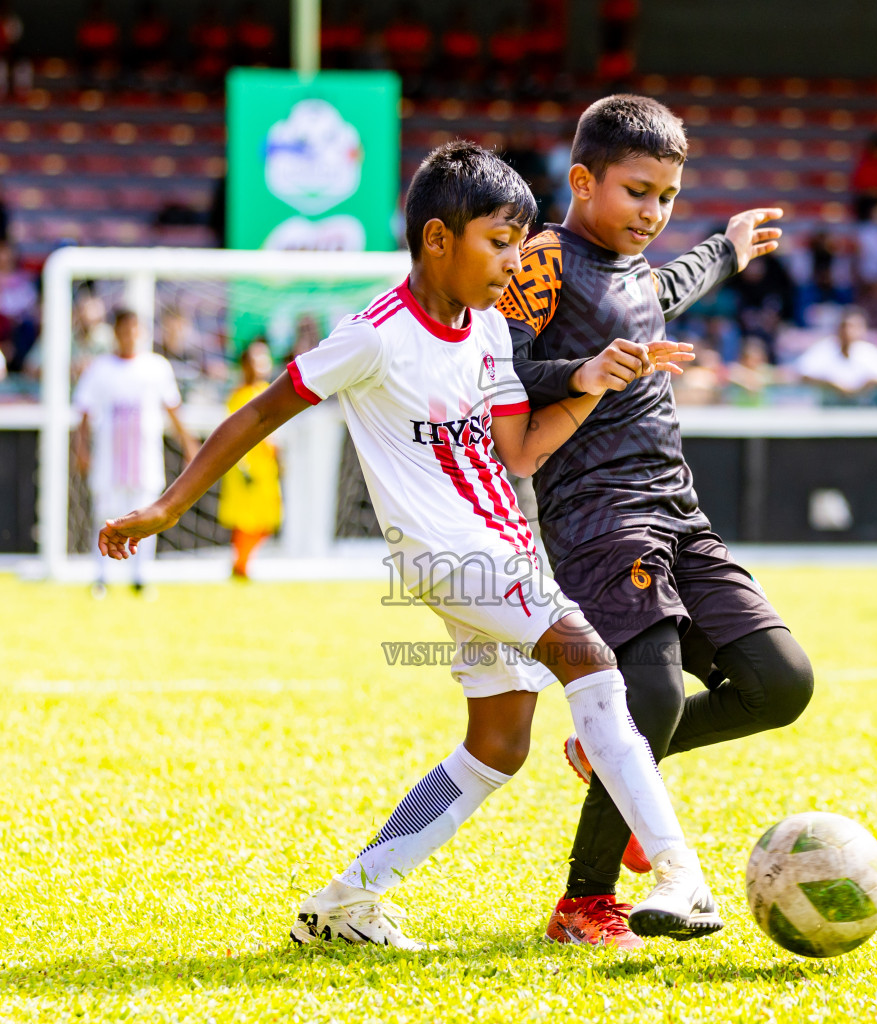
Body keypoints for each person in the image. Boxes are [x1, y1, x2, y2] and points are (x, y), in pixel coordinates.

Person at [98, 141, 722, 950]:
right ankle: (679, 872)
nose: (513, 262)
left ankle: (348, 901)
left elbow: (514, 448)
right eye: (498, 243)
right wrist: (168, 504)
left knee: (497, 747)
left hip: (501, 549)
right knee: (596, 668)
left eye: (520, 243)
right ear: (437, 239)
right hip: (449, 556)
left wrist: (589, 377)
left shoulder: (494, 333)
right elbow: (259, 413)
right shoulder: (375, 334)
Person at [497, 96, 814, 949]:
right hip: (594, 512)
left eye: (668, 197)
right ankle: (584, 904)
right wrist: (585, 370)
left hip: (679, 506)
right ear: (582, 180)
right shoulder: (540, 262)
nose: (653, 213)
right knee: (656, 691)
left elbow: (665, 287)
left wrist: (729, 248)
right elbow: (501, 374)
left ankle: (613, 754)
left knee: (780, 683)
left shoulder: (636, 264)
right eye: (638, 192)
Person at [73, 309, 196, 596]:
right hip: (109, 460)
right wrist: (80, 448)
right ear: (115, 332)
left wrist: (189, 444)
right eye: (124, 329)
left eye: (134, 329)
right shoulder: (99, 368)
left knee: (148, 514)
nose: (129, 335)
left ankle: (141, 576)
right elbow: (84, 413)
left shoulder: (157, 367)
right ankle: (101, 576)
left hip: (145, 459)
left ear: (141, 332)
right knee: (104, 515)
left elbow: (173, 409)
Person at [217, 343, 282, 579]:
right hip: (246, 470)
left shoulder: (268, 389)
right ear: (245, 365)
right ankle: (241, 565)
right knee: (246, 522)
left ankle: (242, 563)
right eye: (256, 360)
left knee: (267, 521)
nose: (261, 366)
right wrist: (243, 467)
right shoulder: (238, 396)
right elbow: (232, 434)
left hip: (266, 468)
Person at [793, 307, 877, 395]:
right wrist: (831, 384)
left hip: (863, 412)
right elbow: (802, 374)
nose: (848, 331)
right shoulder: (825, 348)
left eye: (854, 327)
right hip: (827, 414)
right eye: (845, 326)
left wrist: (871, 383)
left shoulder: (868, 351)